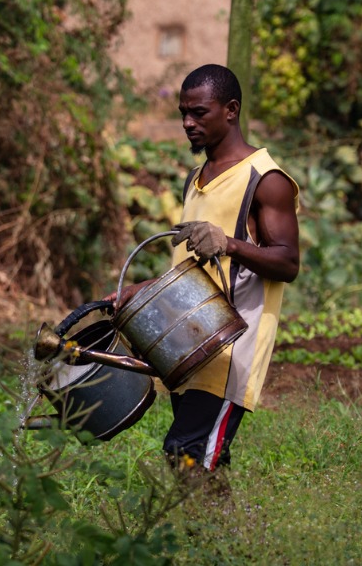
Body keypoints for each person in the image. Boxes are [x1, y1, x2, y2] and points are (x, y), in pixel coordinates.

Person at [111, 64, 300, 474]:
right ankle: (222, 538)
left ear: (231, 110)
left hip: (230, 348)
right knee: (201, 460)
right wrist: (141, 289)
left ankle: (209, 537)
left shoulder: (265, 180)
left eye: (199, 112)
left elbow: (287, 262)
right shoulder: (196, 179)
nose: (187, 123)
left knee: (188, 455)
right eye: (183, 113)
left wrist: (230, 243)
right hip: (188, 344)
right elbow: (192, 268)